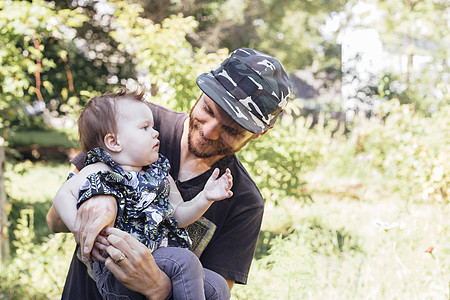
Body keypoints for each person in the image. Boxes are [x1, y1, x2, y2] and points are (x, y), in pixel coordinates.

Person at [47, 47, 292, 299]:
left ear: (259, 133)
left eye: (232, 130)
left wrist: (157, 288)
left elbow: (216, 291)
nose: (210, 132)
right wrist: (101, 194)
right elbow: (53, 220)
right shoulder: (136, 122)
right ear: (202, 92)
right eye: (209, 110)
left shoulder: (244, 200)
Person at [53, 89, 233, 300]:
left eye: (153, 126)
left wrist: (206, 197)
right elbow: (62, 196)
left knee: (218, 286)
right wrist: (82, 232)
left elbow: (179, 216)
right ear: (114, 142)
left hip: (157, 259)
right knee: (186, 261)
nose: (155, 133)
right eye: (145, 128)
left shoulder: (159, 173)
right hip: (119, 265)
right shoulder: (101, 169)